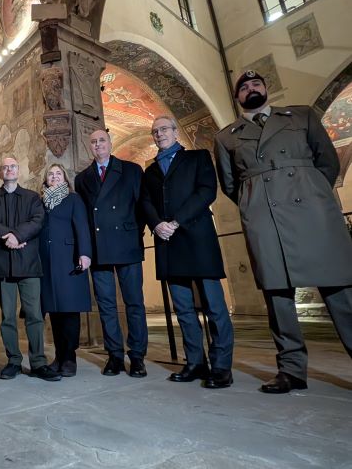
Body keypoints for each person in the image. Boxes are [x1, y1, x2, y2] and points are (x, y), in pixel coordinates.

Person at [214, 70, 352, 394]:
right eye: (244, 87)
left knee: (340, 292)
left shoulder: (301, 116)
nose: (251, 89)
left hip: (313, 213)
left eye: (256, 85)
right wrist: (256, 203)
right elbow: (231, 185)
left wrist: (313, 190)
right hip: (266, 217)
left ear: (266, 89)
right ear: (238, 97)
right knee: (278, 297)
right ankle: (291, 370)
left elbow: (328, 162)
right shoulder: (226, 137)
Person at [141, 116, 234, 389]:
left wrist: (176, 221)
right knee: (182, 309)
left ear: (175, 132)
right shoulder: (150, 172)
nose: (160, 134)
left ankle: (221, 366)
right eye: (155, 132)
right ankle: (195, 362)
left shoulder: (197, 158)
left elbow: (206, 192)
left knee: (214, 307)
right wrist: (157, 224)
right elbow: (145, 201)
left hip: (197, 238)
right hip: (168, 242)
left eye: (164, 130)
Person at [75, 129, 149, 378]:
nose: (98, 145)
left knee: (134, 303)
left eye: (102, 140)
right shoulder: (82, 178)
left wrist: (135, 234)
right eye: (93, 142)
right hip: (99, 247)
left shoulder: (131, 170)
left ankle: (137, 356)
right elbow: (84, 217)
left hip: (127, 243)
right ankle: (115, 355)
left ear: (110, 143)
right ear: (90, 146)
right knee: (106, 305)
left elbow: (142, 205)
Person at [0, 156, 60, 381]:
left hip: (29, 265)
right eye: (5, 167)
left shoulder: (33, 198)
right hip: (1, 264)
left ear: (19, 171)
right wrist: (11, 237)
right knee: (7, 317)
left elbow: (37, 220)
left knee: (34, 315)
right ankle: (13, 361)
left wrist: (17, 235)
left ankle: (38, 362)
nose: (8, 170)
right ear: (0, 173)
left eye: (12, 166)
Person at [39, 163, 92, 377]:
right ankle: (59, 356)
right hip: (47, 262)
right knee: (54, 310)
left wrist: (85, 253)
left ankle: (70, 357)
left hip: (69, 260)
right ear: (46, 179)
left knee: (69, 310)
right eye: (50, 174)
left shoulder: (73, 199)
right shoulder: (41, 202)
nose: (54, 177)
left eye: (58, 173)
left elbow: (82, 227)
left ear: (65, 179)